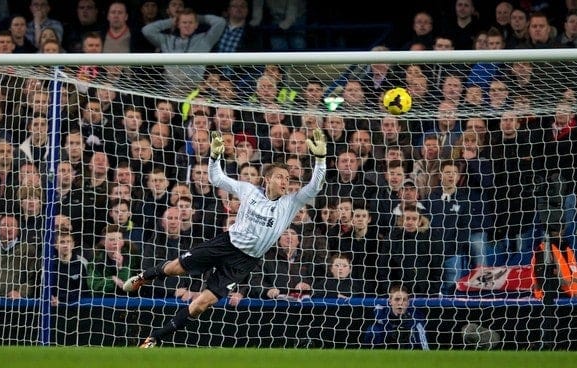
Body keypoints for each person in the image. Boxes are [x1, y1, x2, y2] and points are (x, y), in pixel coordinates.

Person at [123, 127, 327, 348]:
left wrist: (321, 159)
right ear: (267, 179)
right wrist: (214, 156)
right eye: (280, 177)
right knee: (175, 268)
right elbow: (217, 178)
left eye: (288, 178)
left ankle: (155, 337)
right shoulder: (248, 190)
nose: (285, 181)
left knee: (201, 304)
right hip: (225, 243)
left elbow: (315, 186)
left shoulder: (291, 203)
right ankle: (143, 277)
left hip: (243, 262)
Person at [363, 284, 429, 350]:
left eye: (404, 300)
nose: (400, 303)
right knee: (373, 330)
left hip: (409, 348)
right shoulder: (380, 313)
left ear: (408, 302)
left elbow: (425, 346)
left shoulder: (415, 316)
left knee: (417, 330)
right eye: (397, 299)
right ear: (390, 301)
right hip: (385, 343)